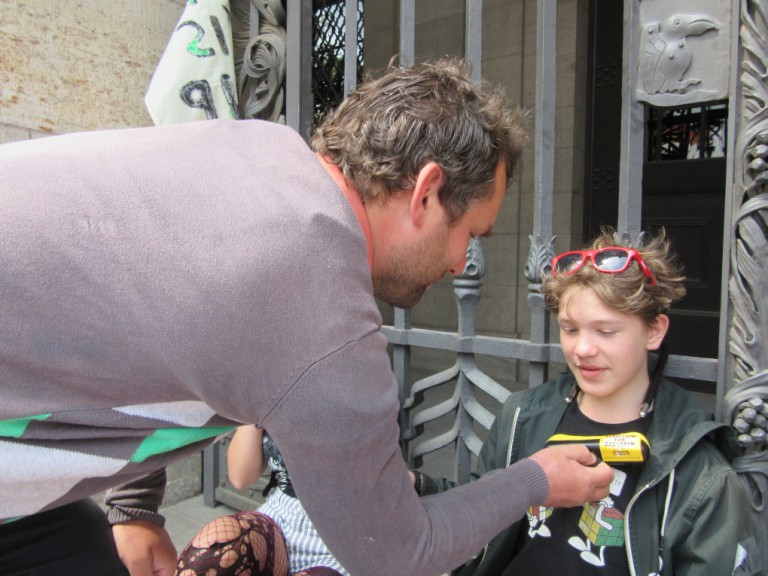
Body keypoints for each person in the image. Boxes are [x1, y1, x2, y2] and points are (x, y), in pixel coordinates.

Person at [0, 58, 613, 576]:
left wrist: (133, 504)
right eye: (470, 235)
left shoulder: (257, 145)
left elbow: (143, 298)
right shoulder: (319, 306)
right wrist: (536, 479)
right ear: (426, 192)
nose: (462, 264)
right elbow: (399, 553)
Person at [415, 228, 758, 575]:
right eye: (570, 329)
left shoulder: (697, 465)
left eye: (606, 331)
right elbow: (482, 504)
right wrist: (417, 486)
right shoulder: (523, 415)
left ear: (654, 331)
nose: (582, 349)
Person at [175, 425, 346, 576]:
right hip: (285, 516)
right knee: (211, 552)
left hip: (349, 538)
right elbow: (240, 477)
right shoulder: (279, 389)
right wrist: (256, 404)